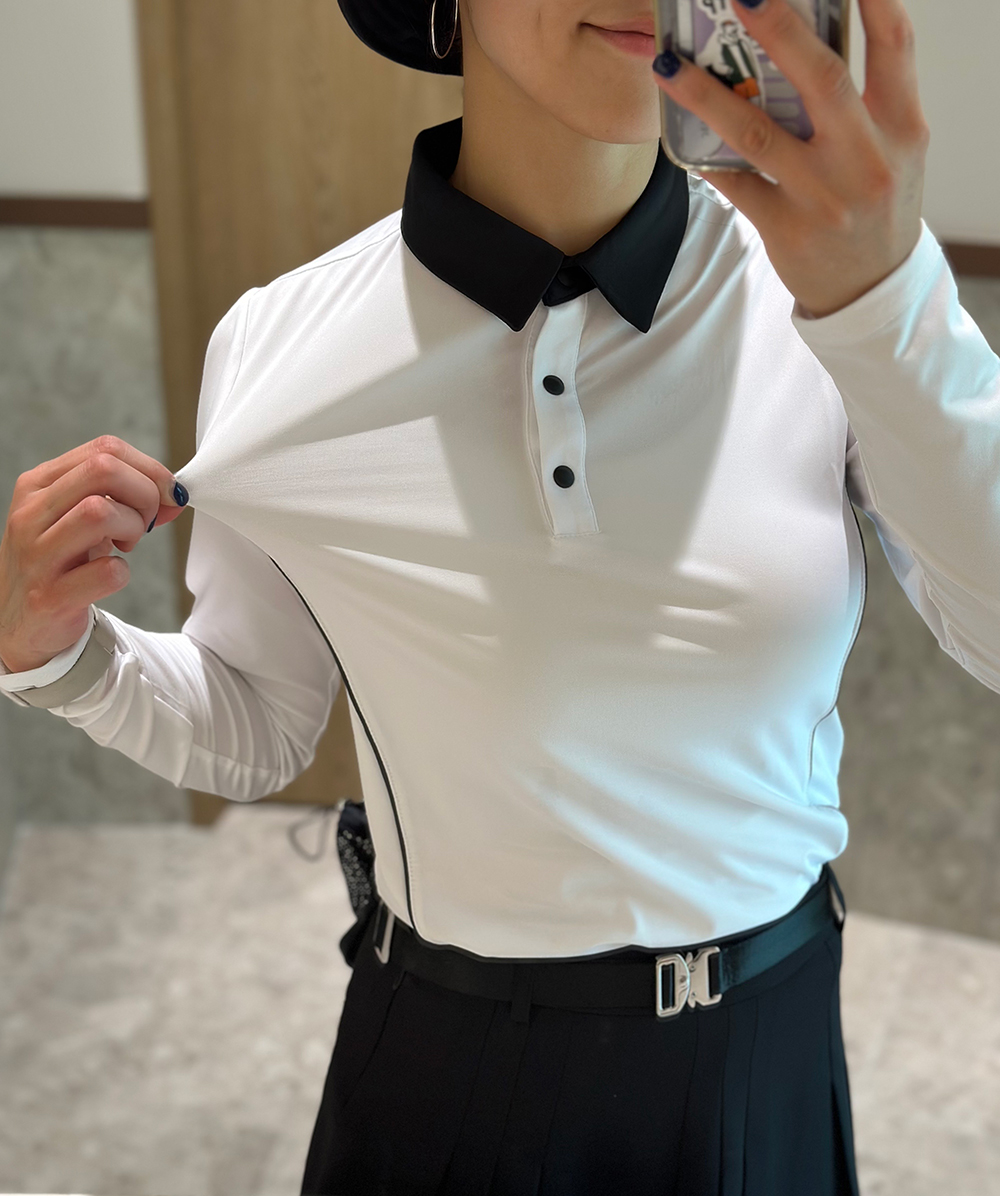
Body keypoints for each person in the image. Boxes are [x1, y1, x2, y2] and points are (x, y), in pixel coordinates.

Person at [1, 0, 998, 1191]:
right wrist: (62, 655)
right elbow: (253, 720)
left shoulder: (825, 296)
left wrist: (886, 307)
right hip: (448, 1069)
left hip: (764, 1045)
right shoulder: (280, 345)